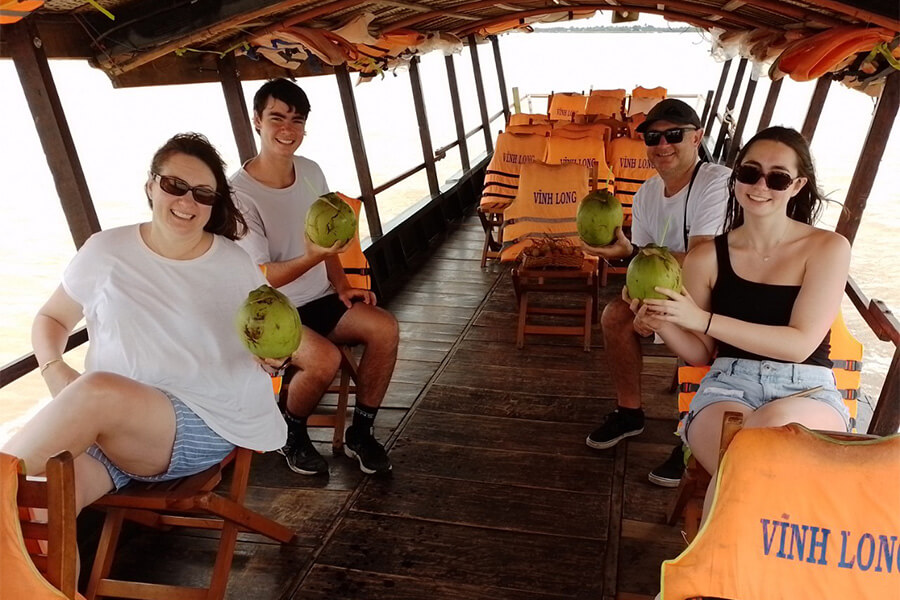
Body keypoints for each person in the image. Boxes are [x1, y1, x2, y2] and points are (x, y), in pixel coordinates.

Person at [1, 133, 286, 515]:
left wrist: (275, 360)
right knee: (40, 507)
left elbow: (269, 339)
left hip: (205, 419)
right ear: (151, 185)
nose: (187, 201)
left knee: (95, 390)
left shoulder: (234, 264)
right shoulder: (105, 251)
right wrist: (54, 368)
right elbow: (51, 318)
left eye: (203, 193)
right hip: (111, 430)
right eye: (175, 185)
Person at [641, 126, 851, 521]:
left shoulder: (827, 248)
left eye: (778, 178)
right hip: (727, 385)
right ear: (736, 175)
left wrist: (704, 320)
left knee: (753, 448)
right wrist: (664, 322)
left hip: (807, 391)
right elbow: (700, 352)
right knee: (751, 462)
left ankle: (711, 558)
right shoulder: (706, 258)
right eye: (750, 173)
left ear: (797, 185)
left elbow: (799, 345)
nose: (760, 186)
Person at [232, 78, 399, 477]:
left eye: (297, 120)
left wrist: (341, 285)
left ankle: (361, 432)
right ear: (257, 121)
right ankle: (290, 431)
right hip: (273, 312)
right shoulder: (239, 194)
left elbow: (329, 241)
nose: (287, 129)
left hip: (320, 296)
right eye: (277, 118)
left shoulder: (310, 171)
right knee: (324, 359)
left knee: (385, 329)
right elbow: (264, 277)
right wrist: (312, 257)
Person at [582, 99, 730, 487]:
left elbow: (701, 260)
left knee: (694, 331)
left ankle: (691, 438)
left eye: (673, 135)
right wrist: (628, 263)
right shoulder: (647, 193)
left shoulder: (717, 183)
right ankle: (629, 412)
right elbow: (642, 258)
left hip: (714, 293)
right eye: (653, 137)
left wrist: (638, 259)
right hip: (664, 288)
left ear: (697, 138)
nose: (662, 145)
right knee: (615, 316)